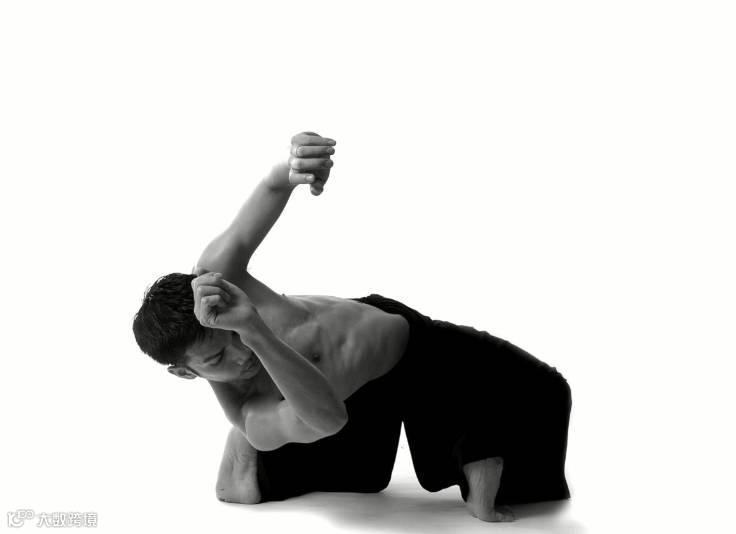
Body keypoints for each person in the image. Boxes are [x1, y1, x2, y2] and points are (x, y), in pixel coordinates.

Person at [132, 132, 572, 523]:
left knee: (547, 392)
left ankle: (471, 453)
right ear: (185, 373)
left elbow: (271, 187)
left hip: (394, 337)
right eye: (216, 358)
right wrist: (254, 331)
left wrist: (294, 166)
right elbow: (329, 418)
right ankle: (254, 467)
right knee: (318, 457)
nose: (240, 352)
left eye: (231, 336)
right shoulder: (250, 412)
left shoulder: (217, 278)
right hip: (334, 408)